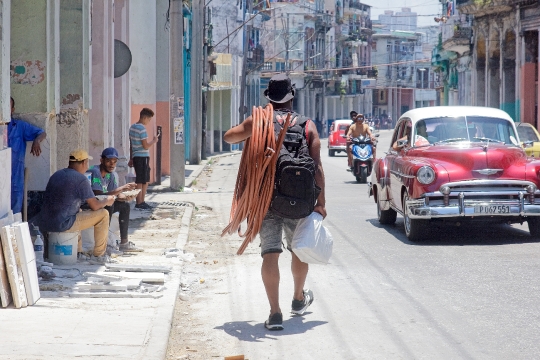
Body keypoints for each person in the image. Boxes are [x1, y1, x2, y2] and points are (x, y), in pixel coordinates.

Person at [223, 73, 326, 331]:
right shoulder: (307, 125)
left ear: (269, 97)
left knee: (270, 252)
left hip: (266, 200)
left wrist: (253, 129)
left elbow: (228, 137)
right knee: (298, 250)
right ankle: (298, 298)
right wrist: (320, 203)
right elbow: (318, 168)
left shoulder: (258, 122)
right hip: (300, 199)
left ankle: (275, 313)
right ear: (292, 96)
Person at [30, 149, 115, 264]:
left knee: (77, 211)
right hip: (62, 224)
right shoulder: (81, 179)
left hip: (45, 222)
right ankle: (99, 256)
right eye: (86, 163)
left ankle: (78, 252)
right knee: (104, 214)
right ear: (84, 163)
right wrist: (106, 201)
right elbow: (95, 206)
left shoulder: (57, 174)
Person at [88, 147, 142, 252]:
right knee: (109, 204)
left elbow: (114, 194)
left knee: (125, 205)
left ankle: (124, 243)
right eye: (108, 161)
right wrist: (121, 188)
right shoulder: (94, 172)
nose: (112, 164)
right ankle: (105, 243)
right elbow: (98, 194)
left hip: (102, 202)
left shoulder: (111, 175)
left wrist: (127, 196)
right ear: (101, 160)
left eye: (114, 162)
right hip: (91, 203)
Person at [8, 97, 47, 214]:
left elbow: (41, 133)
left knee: (14, 215)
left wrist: (36, 141)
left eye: (6, 106)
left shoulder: (19, 126)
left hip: (15, 178)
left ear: (12, 109)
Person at [129, 108, 159, 210]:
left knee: (141, 179)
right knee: (143, 180)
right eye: (149, 119)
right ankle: (140, 202)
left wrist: (131, 158)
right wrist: (154, 141)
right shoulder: (142, 129)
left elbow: (131, 145)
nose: (149, 122)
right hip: (143, 157)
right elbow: (145, 146)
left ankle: (140, 202)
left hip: (136, 156)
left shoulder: (132, 127)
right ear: (144, 117)